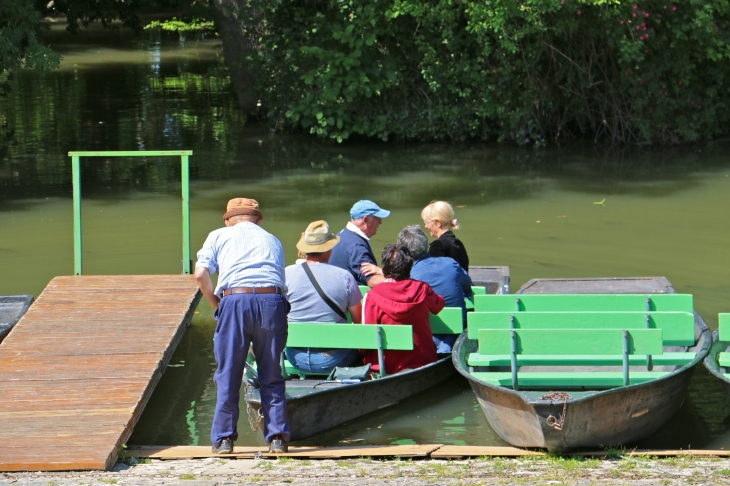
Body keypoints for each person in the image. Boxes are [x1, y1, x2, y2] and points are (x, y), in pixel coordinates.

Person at [194, 197, 290, 455]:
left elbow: (200, 274)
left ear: (227, 220)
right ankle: (277, 438)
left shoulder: (218, 236)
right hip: (272, 301)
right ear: (258, 219)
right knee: (271, 373)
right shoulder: (273, 239)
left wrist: (216, 304)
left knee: (229, 374)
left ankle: (225, 441)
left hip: (235, 301)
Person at [285, 220, 363, 374]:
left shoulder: (286, 274)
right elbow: (358, 320)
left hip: (295, 358)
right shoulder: (344, 276)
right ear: (329, 249)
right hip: (334, 359)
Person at [362, 244, 444, 374]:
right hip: (423, 361)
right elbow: (439, 305)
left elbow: (366, 340)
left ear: (384, 268)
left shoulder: (371, 296)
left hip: (386, 365)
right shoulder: (423, 289)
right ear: (410, 266)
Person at [397, 225, 472, 354]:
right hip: (457, 329)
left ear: (404, 252)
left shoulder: (407, 278)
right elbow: (467, 284)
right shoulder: (450, 263)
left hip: (427, 334)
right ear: (426, 245)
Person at [329, 200, 390, 287]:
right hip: (351, 299)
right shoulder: (357, 246)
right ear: (366, 220)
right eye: (378, 218)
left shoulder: (340, 236)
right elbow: (372, 280)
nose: (380, 222)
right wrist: (403, 280)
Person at [421, 201, 470, 272]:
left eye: (427, 222)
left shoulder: (438, 246)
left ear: (438, 223)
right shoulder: (458, 243)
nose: (425, 226)